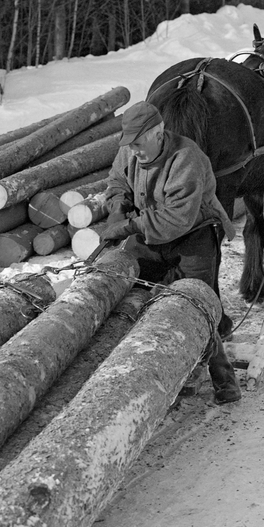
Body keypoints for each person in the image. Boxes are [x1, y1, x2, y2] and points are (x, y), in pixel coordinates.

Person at [100, 101, 242, 405]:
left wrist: (126, 228)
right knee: (134, 291)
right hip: (150, 233)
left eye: (139, 143)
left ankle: (223, 376)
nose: (134, 150)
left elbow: (176, 219)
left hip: (192, 235)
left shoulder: (185, 158)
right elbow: (116, 181)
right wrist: (116, 208)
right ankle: (171, 370)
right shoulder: (131, 149)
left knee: (198, 302)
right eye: (130, 144)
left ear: (159, 133)